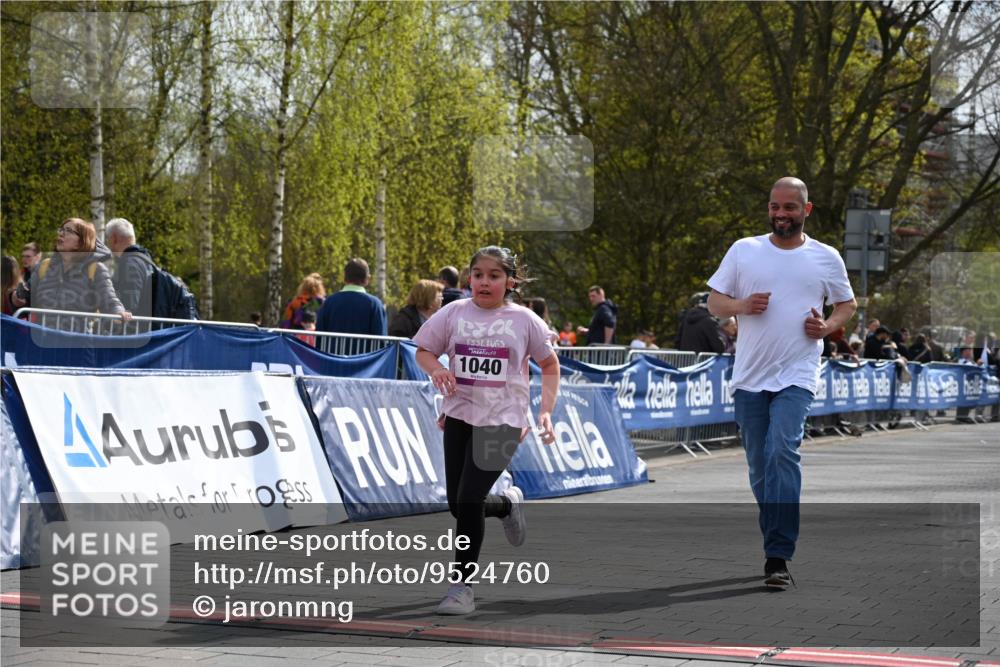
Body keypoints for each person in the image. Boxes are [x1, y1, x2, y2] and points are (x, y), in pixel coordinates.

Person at [707, 176, 856, 589]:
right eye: (775, 207)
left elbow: (847, 304)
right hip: (751, 376)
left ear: (805, 210)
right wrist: (740, 305)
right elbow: (714, 302)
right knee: (760, 466)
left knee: (781, 450)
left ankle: (778, 554)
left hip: (798, 373)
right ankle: (775, 536)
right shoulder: (744, 250)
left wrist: (826, 327)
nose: (781, 215)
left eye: (790, 208)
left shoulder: (825, 257)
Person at [412, 246, 559, 615]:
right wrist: (437, 370)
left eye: (494, 276)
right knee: (457, 505)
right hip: (460, 415)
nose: (484, 282)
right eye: (478, 274)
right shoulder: (454, 313)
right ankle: (508, 503)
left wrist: (545, 411)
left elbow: (550, 365)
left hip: (504, 421)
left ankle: (461, 588)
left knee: (467, 500)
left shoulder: (525, 321)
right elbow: (424, 351)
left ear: (509, 282)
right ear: (469, 278)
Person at [26, 218, 132, 329]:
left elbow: (110, 301)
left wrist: (119, 313)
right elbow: (24, 297)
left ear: (81, 241)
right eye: (61, 230)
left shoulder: (95, 269)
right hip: (43, 342)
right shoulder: (45, 266)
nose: (61, 234)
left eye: (68, 230)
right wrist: (14, 297)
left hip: (79, 343)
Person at [316, 258, 387, 336]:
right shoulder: (375, 305)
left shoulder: (329, 302)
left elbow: (319, 336)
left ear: (344, 278)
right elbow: (381, 340)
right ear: (367, 279)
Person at [105, 218, 155, 316]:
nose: (107, 242)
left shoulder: (130, 264)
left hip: (135, 329)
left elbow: (129, 305)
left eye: (107, 238)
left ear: (114, 238)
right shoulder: (146, 261)